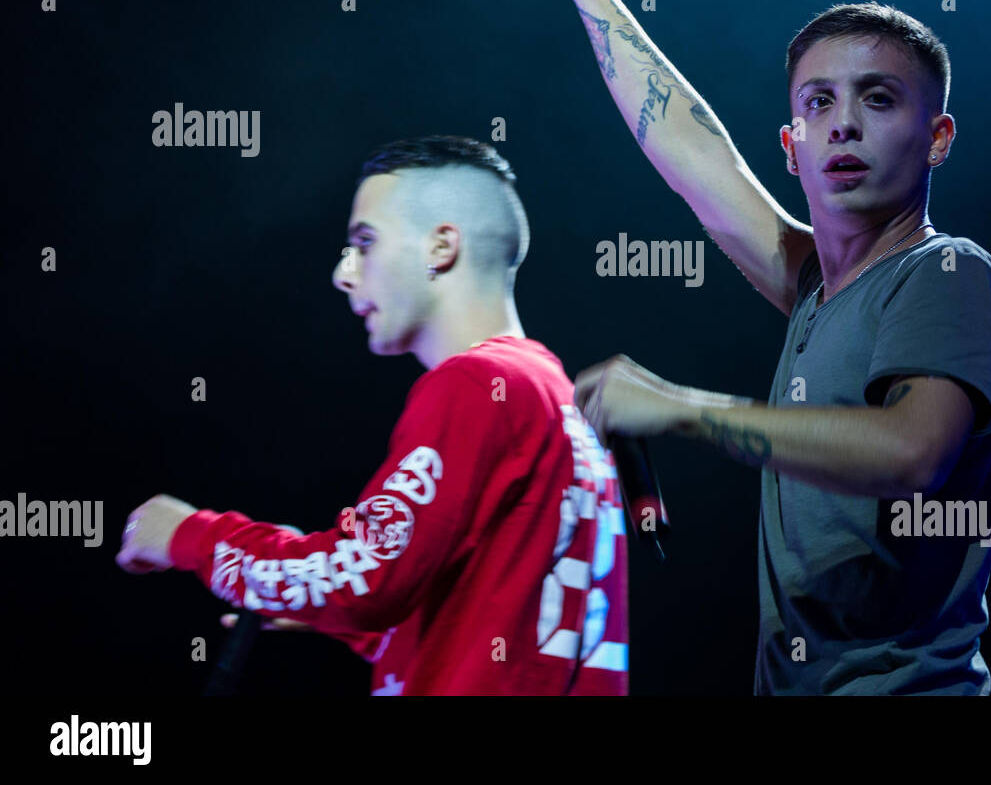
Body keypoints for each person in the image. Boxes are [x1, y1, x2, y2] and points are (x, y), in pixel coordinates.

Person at [522, 0, 991, 694]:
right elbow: (690, 148)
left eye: (879, 98)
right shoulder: (816, 289)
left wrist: (682, 410)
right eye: (819, 103)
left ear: (938, 137)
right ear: (791, 146)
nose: (845, 124)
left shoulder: (951, 276)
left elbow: (912, 452)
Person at [117, 135, 629, 695]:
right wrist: (332, 611)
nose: (343, 273)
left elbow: (365, 580)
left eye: (365, 243)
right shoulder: (551, 392)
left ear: (440, 247)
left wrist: (188, 535)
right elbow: (512, 622)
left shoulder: (478, 384)